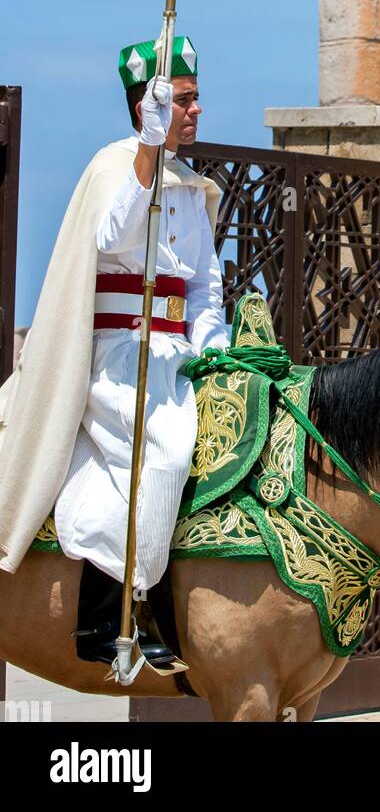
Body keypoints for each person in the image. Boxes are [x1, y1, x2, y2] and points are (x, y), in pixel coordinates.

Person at [0, 36, 228, 666]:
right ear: (145, 108)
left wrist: (215, 351)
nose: (195, 111)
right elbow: (113, 233)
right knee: (166, 449)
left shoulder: (191, 189)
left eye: (196, 99)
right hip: (117, 360)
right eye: (182, 101)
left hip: (177, 359)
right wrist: (148, 154)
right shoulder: (114, 167)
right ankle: (118, 613)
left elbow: (204, 288)